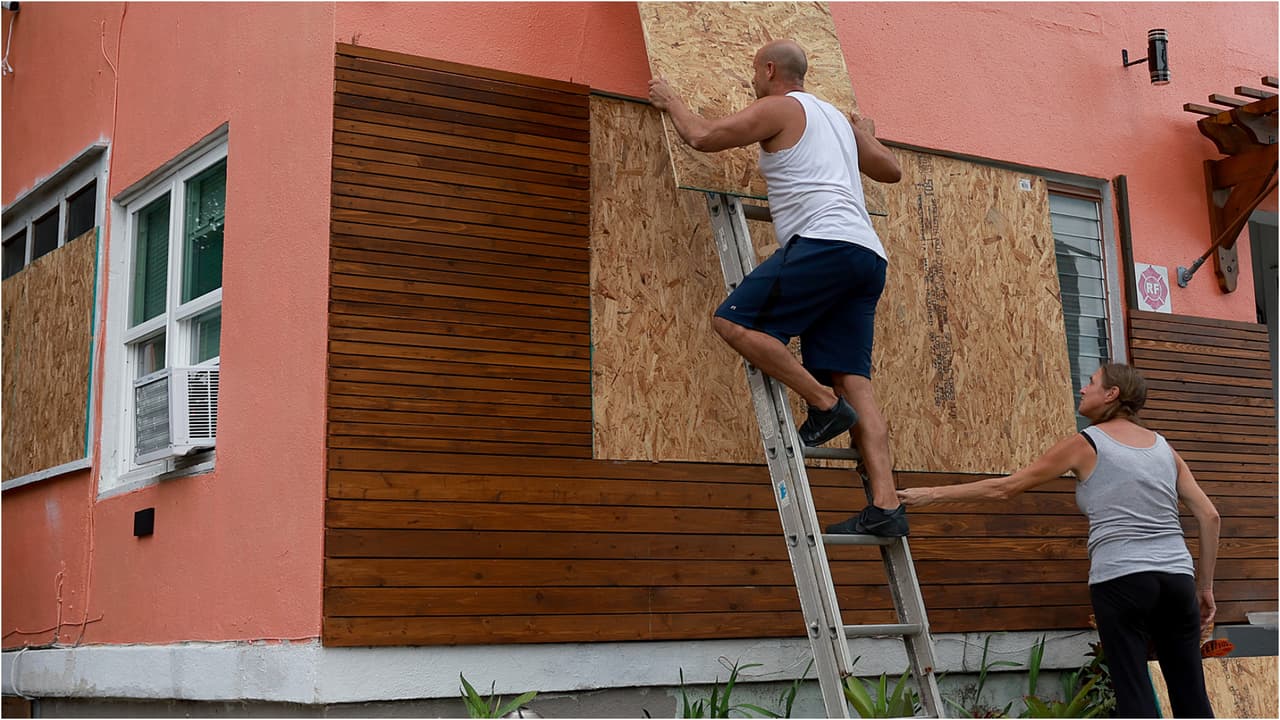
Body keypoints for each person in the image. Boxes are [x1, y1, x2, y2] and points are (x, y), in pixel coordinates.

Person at [648, 39, 908, 536]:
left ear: (770, 70)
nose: (752, 81)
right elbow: (891, 171)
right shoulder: (835, 119)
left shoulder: (779, 108)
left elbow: (702, 138)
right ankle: (886, 505)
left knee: (732, 321)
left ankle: (824, 405)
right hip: (867, 256)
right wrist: (861, 134)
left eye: (753, 73)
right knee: (855, 379)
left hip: (826, 244)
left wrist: (671, 100)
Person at [898, 363, 1220, 718]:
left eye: (1093, 383)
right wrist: (1204, 588)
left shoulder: (1086, 444)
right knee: (1191, 694)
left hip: (1122, 579)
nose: (1083, 389)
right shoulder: (1163, 449)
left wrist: (929, 494)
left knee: (1135, 692)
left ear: (1112, 395)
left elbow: (1007, 488)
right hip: (1176, 579)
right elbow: (1209, 516)